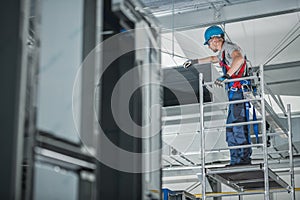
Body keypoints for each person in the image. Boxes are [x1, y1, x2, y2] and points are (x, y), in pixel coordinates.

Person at [183, 25, 252, 166]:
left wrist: (226, 76)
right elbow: (213, 59)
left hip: (238, 92)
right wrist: (195, 61)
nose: (209, 46)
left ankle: (242, 160)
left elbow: (239, 59)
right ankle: (236, 160)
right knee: (231, 128)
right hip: (234, 94)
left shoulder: (230, 48)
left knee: (237, 126)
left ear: (214, 40)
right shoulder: (223, 52)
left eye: (208, 43)